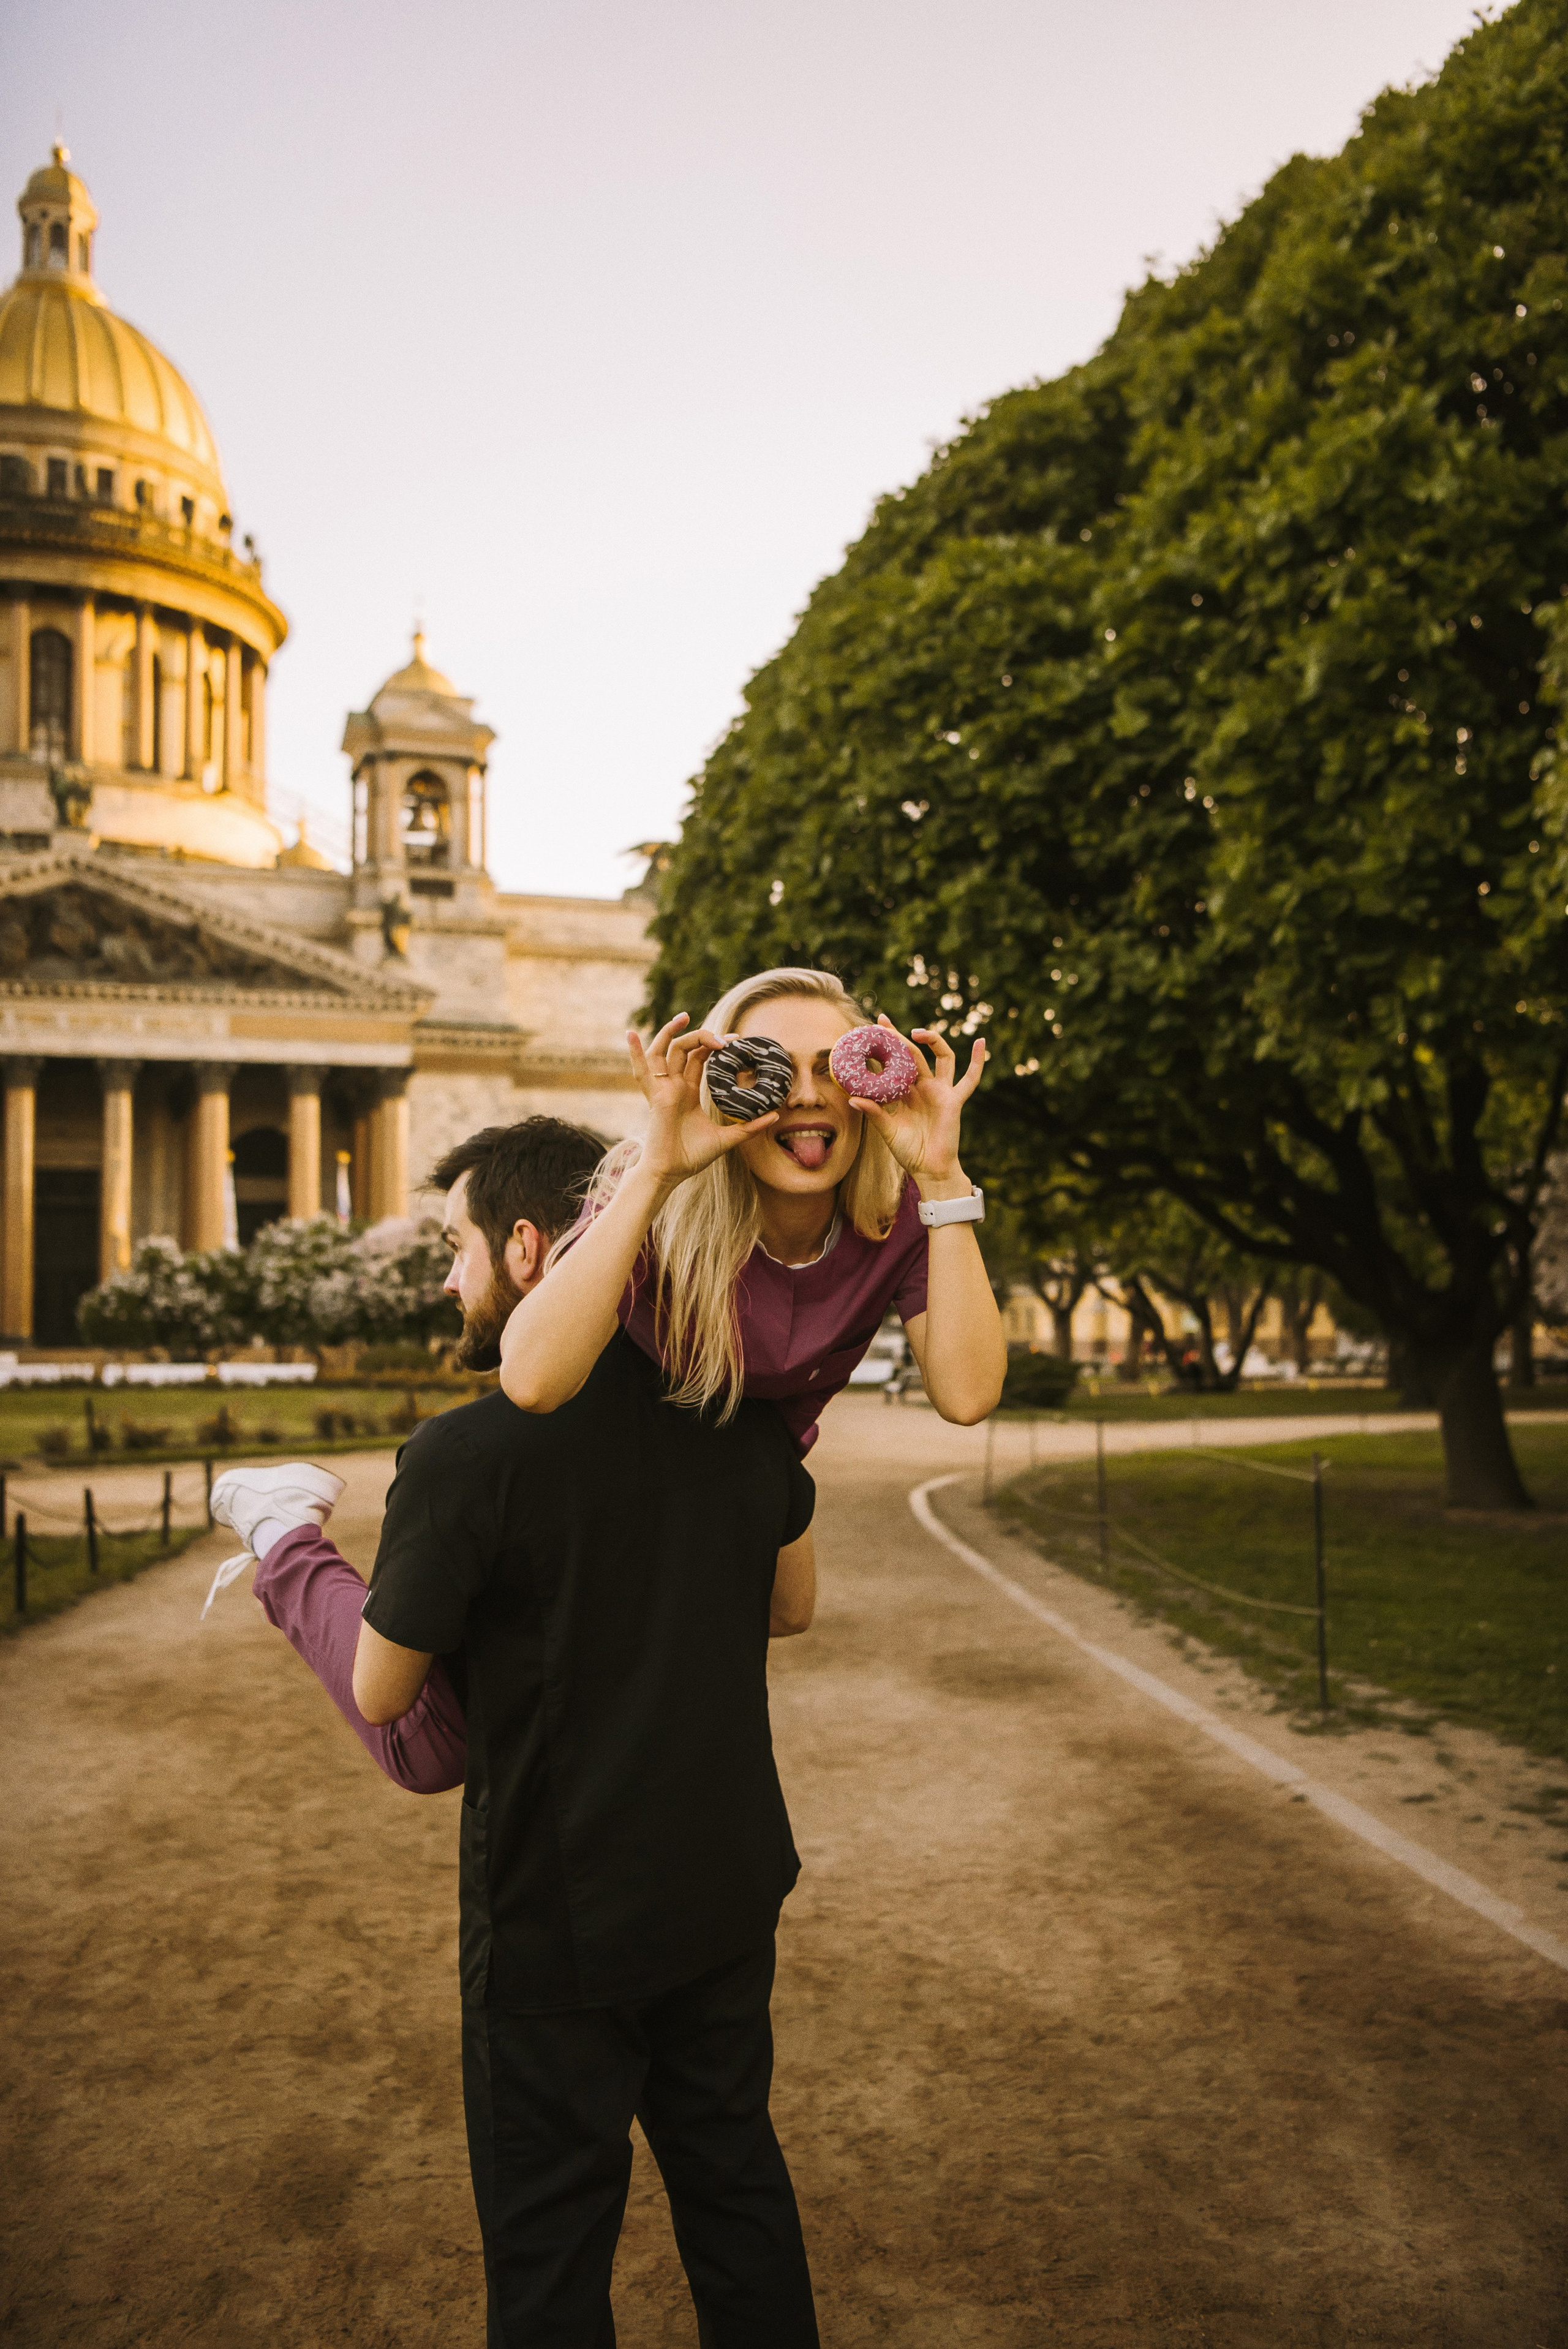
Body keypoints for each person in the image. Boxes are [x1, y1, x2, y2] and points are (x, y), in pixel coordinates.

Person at [208, 1115, 823, 2345]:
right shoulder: (740, 1413)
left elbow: (384, 1697)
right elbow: (791, 1609)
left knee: (549, 2261)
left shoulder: (464, 1452)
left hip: (557, 1916)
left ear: (531, 1249)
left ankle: (283, 1540)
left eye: (457, 1248)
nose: (447, 1276)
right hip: (720, 1888)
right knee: (738, 2201)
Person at [499, 965, 1008, 1453]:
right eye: (770, 1068)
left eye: (831, 1069)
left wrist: (944, 1178)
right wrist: (656, 1175)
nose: (806, 1095)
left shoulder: (902, 1211)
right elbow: (532, 1382)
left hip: (767, 1486)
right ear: (722, 1087)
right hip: (613, 1462)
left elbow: (968, 1398)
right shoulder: (645, 1189)